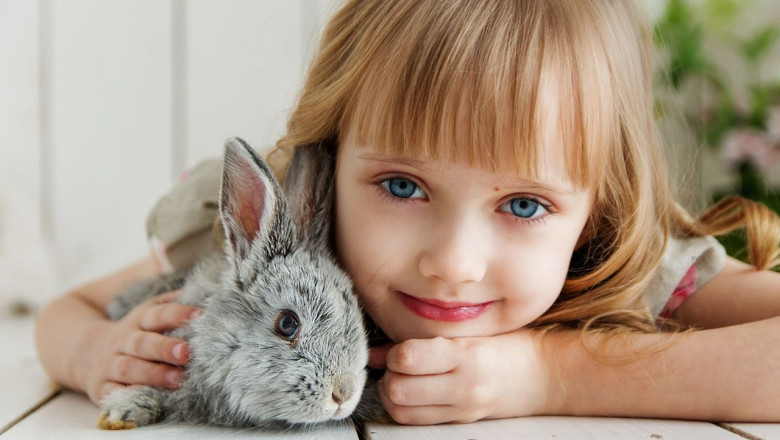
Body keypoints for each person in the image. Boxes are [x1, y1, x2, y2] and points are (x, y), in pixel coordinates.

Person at [36, 0, 780, 425]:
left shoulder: (621, 263)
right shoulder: (283, 238)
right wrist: (94, 354)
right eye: (401, 186)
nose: (453, 261)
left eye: (524, 204)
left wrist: (552, 376)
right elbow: (68, 309)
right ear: (332, 152)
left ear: (595, 213)